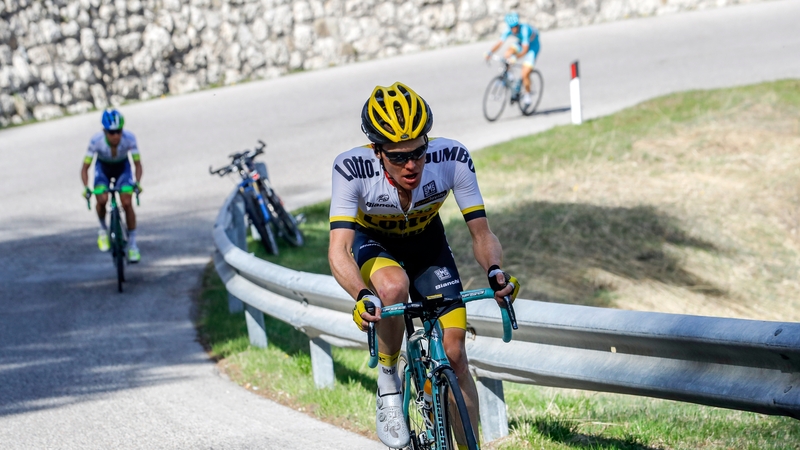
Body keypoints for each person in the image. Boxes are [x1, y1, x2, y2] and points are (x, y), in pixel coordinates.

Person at [328, 82, 520, 449]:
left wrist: (495, 270)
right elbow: (339, 251)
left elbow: (482, 233)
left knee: (455, 355)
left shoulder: (452, 158)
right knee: (391, 288)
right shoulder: (351, 168)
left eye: (417, 152)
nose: (411, 164)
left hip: (427, 244)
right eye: (398, 157)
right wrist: (361, 294)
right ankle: (388, 381)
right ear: (377, 151)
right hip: (376, 244)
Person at [80, 108, 143, 263]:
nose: (116, 136)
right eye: (111, 132)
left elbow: (137, 164)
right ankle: (103, 229)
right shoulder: (96, 141)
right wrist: (86, 188)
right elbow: (85, 168)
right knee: (101, 199)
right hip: (103, 169)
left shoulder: (130, 139)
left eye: (119, 131)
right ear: (105, 131)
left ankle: (133, 245)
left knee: (127, 203)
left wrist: (137, 183)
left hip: (123, 168)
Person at [485, 12, 541, 107]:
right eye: (512, 27)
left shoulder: (524, 30)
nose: (514, 29)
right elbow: (500, 43)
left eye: (515, 26)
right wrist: (490, 52)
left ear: (518, 24)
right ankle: (509, 76)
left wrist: (515, 57)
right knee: (507, 54)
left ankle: (527, 96)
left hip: (532, 47)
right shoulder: (509, 29)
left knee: (525, 73)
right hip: (521, 43)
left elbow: (525, 50)